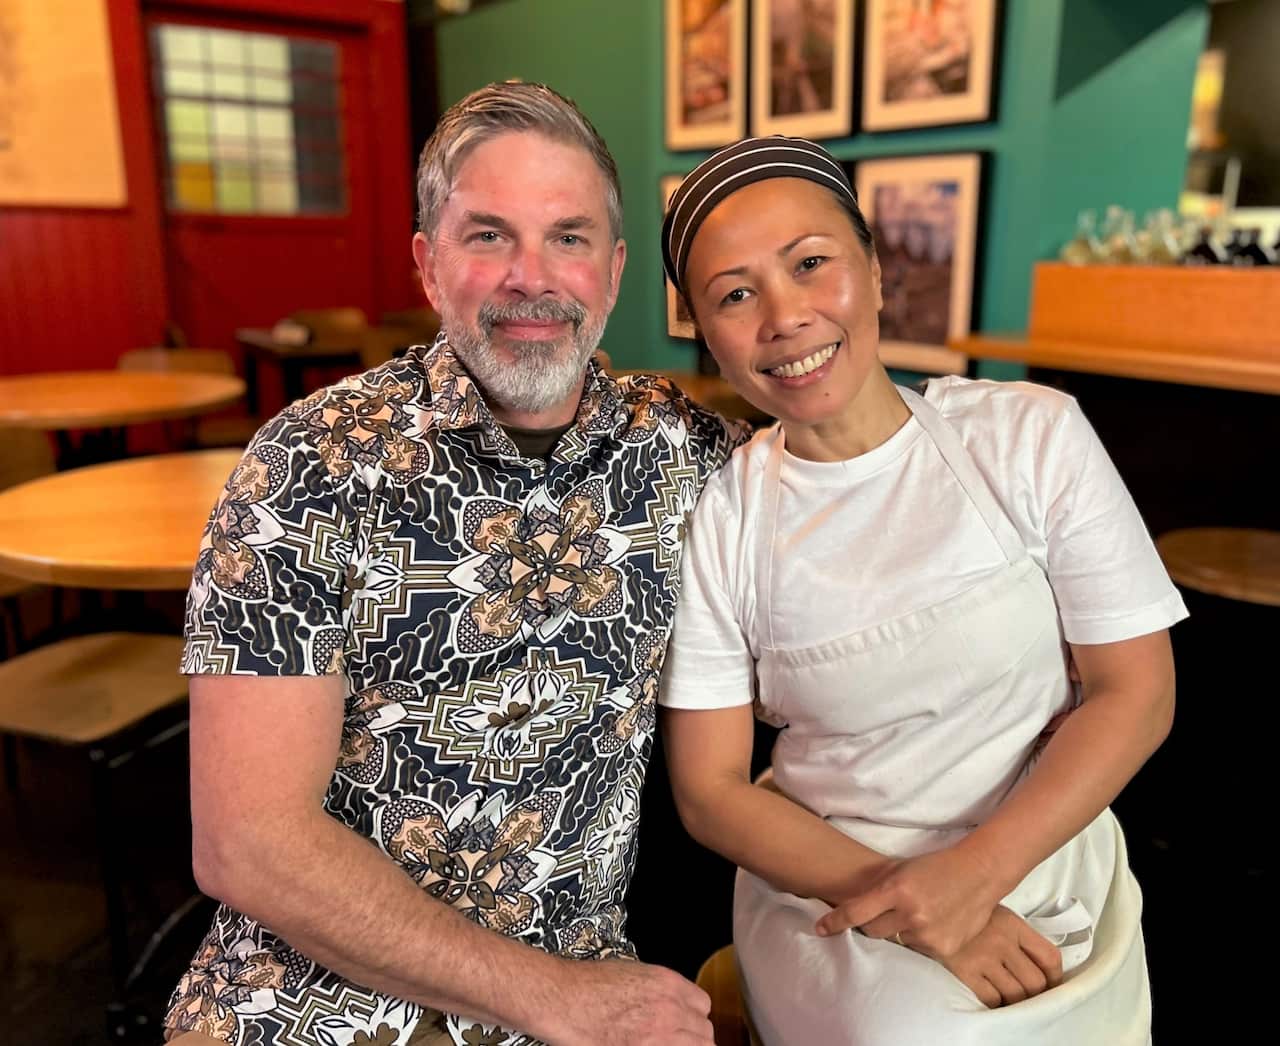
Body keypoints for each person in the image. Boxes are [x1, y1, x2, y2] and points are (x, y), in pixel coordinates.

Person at [163, 82, 743, 1046]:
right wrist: (549, 995)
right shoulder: (312, 462)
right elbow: (246, 842)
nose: (532, 276)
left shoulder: (684, 450)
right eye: (487, 237)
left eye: (570, 236)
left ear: (615, 267)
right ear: (430, 266)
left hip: (589, 982)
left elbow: (861, 519)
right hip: (310, 998)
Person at [657, 135, 1186, 1045]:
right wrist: (909, 902)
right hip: (834, 887)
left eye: (811, 264)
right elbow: (710, 792)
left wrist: (975, 880)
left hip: (1048, 854)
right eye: (735, 294)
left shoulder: (1030, 436)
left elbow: (1137, 693)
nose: (784, 317)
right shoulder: (724, 517)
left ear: (873, 267)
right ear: (706, 331)